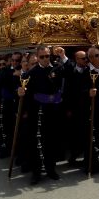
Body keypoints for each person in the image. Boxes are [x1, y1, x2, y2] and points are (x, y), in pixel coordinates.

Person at [18, 45, 68, 184]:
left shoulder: (58, 68)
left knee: (52, 142)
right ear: (38, 57)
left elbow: (70, 71)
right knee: (36, 143)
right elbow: (25, 91)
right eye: (42, 57)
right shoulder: (31, 73)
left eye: (47, 56)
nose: (45, 59)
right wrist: (21, 92)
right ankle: (36, 172)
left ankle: (51, 169)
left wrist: (63, 56)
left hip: (54, 112)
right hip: (38, 113)